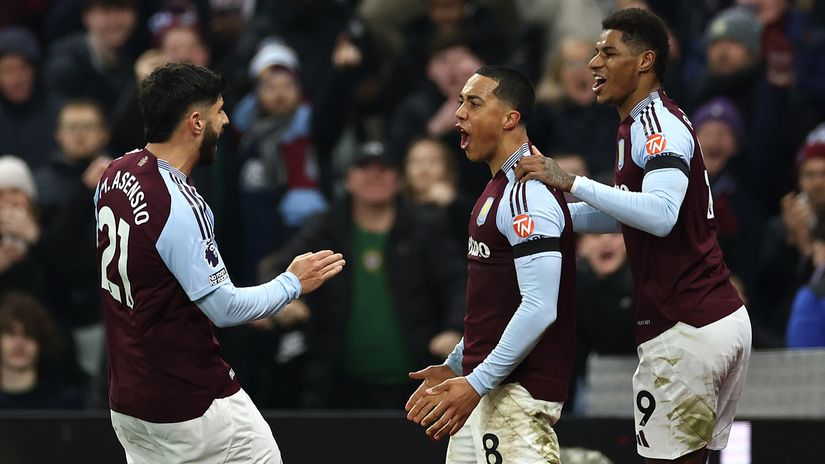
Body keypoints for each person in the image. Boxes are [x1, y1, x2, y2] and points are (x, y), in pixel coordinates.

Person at [516, 8, 752, 464]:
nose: (593, 64)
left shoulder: (655, 126)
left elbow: (661, 215)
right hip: (708, 317)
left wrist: (571, 182)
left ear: (644, 61)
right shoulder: (642, 122)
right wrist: (553, 218)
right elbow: (633, 215)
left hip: (687, 324)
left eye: (608, 52)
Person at [95, 63, 345, 463]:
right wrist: (292, 283)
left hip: (129, 401)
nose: (226, 120)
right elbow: (223, 308)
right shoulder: (181, 204)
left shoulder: (113, 173)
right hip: (191, 400)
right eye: (220, 110)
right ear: (196, 122)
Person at [406, 65, 576, 463]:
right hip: (485, 387)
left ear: (509, 118)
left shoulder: (526, 194)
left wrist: (476, 382)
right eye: (461, 101)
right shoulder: (496, 188)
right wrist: (457, 364)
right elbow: (496, 306)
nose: (459, 113)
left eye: (474, 102)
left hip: (515, 395)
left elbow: (539, 307)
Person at [256, 141, 466, 409]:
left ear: (399, 179)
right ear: (348, 179)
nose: (374, 177)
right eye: (364, 169)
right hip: (338, 385)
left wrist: (454, 329)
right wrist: (285, 298)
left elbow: (456, 281)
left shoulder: (426, 227)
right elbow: (278, 267)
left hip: (417, 381)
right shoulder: (326, 228)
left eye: (384, 170)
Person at [0, 292, 83, 409]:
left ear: (41, 342)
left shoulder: (64, 402)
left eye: (29, 334)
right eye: (10, 333)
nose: (19, 344)